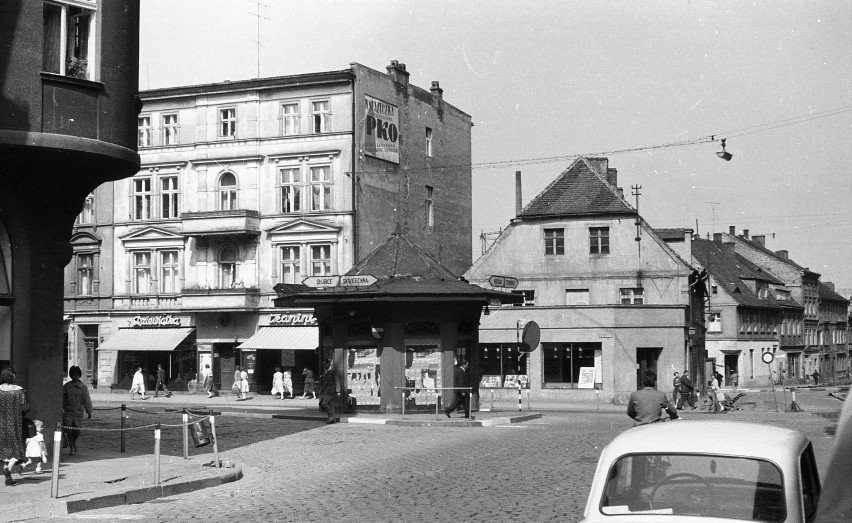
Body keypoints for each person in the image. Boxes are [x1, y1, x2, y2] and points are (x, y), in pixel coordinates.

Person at [0, 367, 28, 486]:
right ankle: (8, 469)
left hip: (1, 424)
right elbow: (25, 407)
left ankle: (8, 478)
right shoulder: (19, 391)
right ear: (12, 377)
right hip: (14, 424)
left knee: (4, 450)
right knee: (17, 450)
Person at [62, 365, 92, 455]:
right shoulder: (66, 386)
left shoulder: (83, 387)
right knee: (69, 430)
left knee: (77, 431)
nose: (75, 376)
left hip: (79, 412)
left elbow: (86, 399)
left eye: (77, 374)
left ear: (79, 375)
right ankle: (72, 447)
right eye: (73, 374)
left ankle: (73, 444)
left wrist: (89, 410)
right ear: (71, 375)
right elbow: (62, 398)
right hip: (68, 411)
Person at [317, 359, 338, 423]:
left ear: (328, 364)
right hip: (326, 390)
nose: (324, 366)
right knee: (330, 404)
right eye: (323, 364)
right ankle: (332, 418)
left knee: (324, 403)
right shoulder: (325, 372)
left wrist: (338, 390)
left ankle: (331, 416)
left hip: (331, 390)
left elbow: (337, 380)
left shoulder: (333, 371)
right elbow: (324, 382)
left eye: (325, 364)